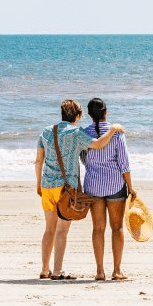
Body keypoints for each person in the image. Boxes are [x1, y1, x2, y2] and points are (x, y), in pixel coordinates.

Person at [35, 99, 123, 280]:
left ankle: (45, 269)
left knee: (49, 229)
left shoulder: (46, 131)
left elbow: (38, 160)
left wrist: (38, 183)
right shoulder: (76, 132)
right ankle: (57, 271)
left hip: (47, 186)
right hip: (65, 189)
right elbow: (98, 144)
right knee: (62, 231)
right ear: (77, 116)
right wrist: (113, 129)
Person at [82, 97, 136, 281]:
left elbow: (82, 159)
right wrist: (131, 188)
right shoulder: (118, 134)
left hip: (93, 186)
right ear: (106, 112)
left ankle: (99, 271)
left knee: (98, 228)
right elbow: (124, 165)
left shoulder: (83, 133)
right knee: (117, 227)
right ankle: (117, 270)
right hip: (115, 186)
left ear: (89, 115)